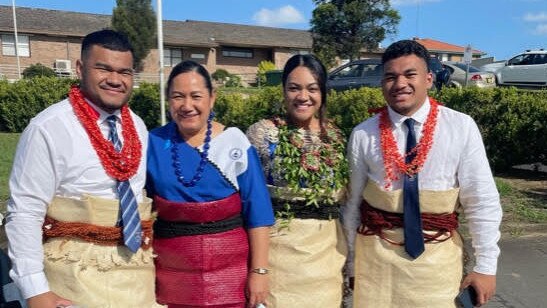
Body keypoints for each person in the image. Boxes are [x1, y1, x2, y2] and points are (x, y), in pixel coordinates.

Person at [342, 39, 502, 307]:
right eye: (391, 76)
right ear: (382, 83)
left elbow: (482, 200)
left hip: (437, 265)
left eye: (410, 74)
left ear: (428, 79)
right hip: (375, 265)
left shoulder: (460, 127)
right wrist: (351, 265)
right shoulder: (363, 134)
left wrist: (486, 266)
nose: (400, 83)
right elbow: (352, 205)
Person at [5, 29, 160, 307]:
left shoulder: (137, 126)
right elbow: (25, 211)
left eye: (124, 72)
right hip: (73, 275)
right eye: (103, 68)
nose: (115, 79)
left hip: (135, 273)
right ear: (79, 68)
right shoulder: (49, 127)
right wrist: (36, 291)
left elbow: (135, 194)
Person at [146, 60, 275, 308]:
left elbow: (257, 213)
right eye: (177, 97)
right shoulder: (152, 142)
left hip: (231, 273)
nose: (187, 106)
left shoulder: (234, 141)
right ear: (167, 100)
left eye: (196, 96)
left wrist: (259, 272)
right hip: (171, 273)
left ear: (212, 98)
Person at [246, 54, 348, 307]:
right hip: (278, 259)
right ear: (283, 91)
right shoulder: (261, 134)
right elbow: (247, 201)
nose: (303, 97)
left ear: (323, 92)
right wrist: (258, 269)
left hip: (327, 259)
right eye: (294, 88)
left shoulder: (335, 137)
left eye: (312, 89)